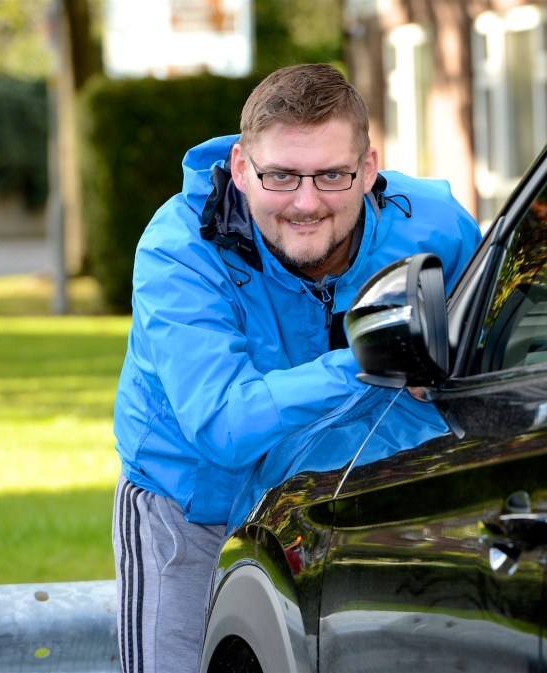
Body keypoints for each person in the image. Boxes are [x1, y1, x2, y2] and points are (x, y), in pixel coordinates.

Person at [111, 63, 482, 673]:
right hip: (192, 505)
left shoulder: (436, 227)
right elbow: (223, 425)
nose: (305, 203)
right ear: (240, 168)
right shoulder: (178, 251)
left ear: (368, 169)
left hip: (347, 496)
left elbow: (490, 351)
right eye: (280, 175)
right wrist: (367, 358)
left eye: (333, 174)